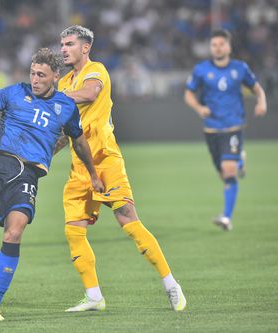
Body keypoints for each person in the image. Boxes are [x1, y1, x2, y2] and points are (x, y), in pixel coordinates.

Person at [0, 48, 104, 321]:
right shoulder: (12, 93)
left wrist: (93, 174)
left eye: (41, 75)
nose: (35, 79)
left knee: (14, 232)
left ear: (55, 76)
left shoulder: (66, 107)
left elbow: (78, 142)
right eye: (32, 73)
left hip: (27, 175)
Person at [55, 25, 186, 312]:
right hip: (79, 166)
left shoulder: (96, 71)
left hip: (105, 160)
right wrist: (41, 154)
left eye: (70, 44)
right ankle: (93, 296)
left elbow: (90, 94)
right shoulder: (64, 83)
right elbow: (66, 133)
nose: (63, 48)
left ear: (85, 47)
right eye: (62, 44)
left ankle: (171, 285)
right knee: (73, 231)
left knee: (128, 219)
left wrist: (51, 98)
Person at [184, 29, 267, 231]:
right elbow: (188, 94)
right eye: (214, 44)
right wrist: (199, 108)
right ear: (211, 48)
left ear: (228, 47)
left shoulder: (240, 68)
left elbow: (257, 88)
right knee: (224, 174)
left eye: (221, 44)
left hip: (233, 126)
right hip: (212, 129)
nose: (218, 47)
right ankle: (240, 160)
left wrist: (262, 102)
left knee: (229, 172)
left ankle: (226, 218)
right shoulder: (201, 69)